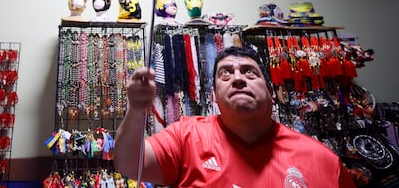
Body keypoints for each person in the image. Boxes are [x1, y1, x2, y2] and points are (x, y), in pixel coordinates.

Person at [114, 46, 356, 187]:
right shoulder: (187, 135)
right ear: (215, 97)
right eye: (226, 74)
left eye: (249, 72)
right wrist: (136, 111)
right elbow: (128, 163)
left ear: (272, 93)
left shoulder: (323, 161)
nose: (238, 78)